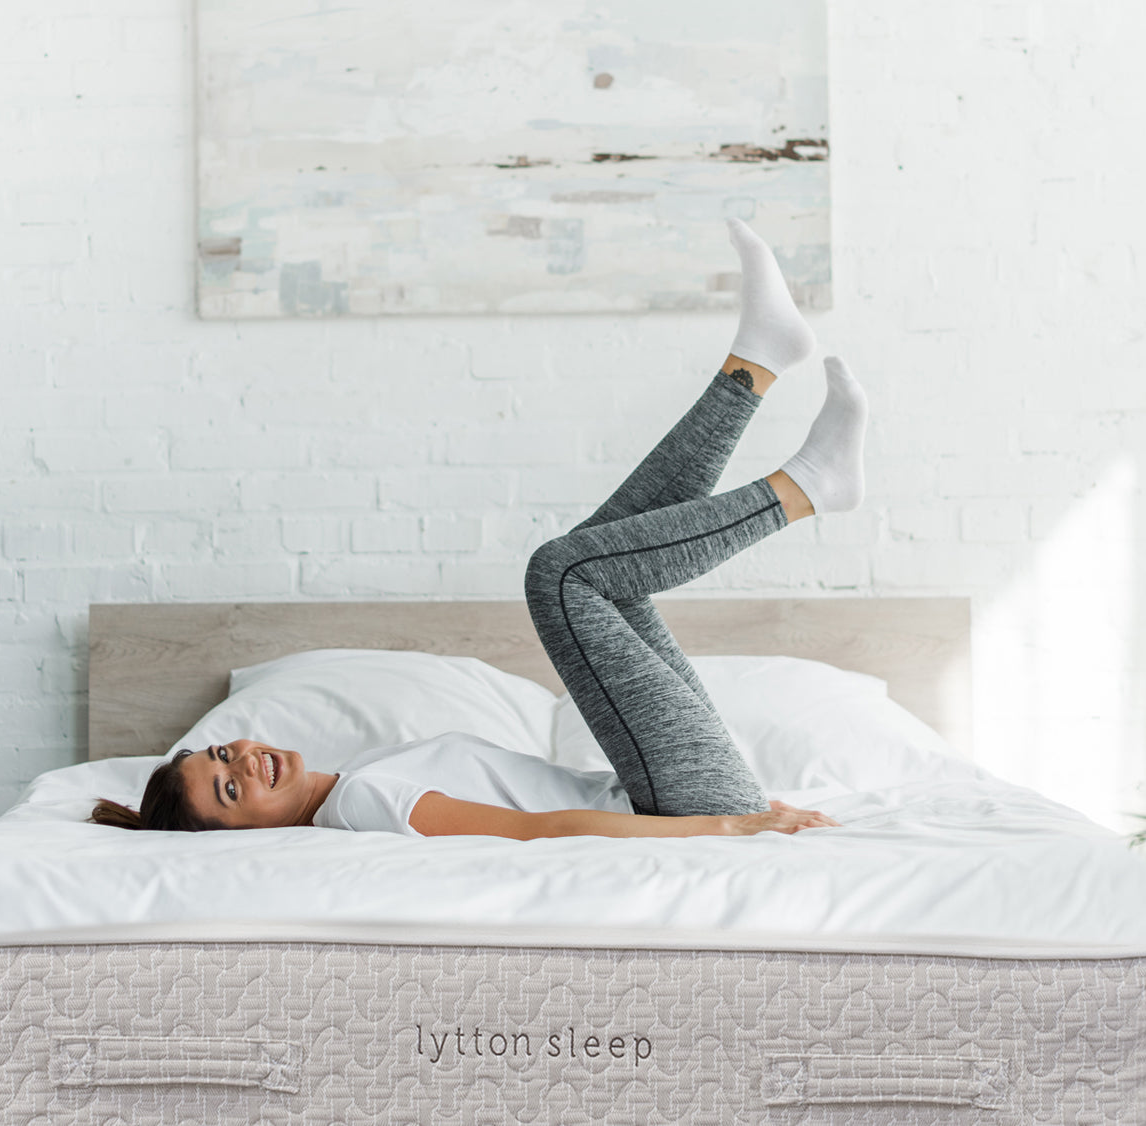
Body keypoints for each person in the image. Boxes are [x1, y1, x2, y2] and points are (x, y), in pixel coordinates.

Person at [92, 219, 867, 841]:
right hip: (677, 807)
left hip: (670, 788)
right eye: (231, 789)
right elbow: (541, 830)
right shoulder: (361, 805)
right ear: (245, 833)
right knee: (561, 575)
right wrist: (721, 825)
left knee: (606, 572)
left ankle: (754, 364)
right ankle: (805, 487)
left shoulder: (362, 778)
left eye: (224, 753)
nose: (246, 762)